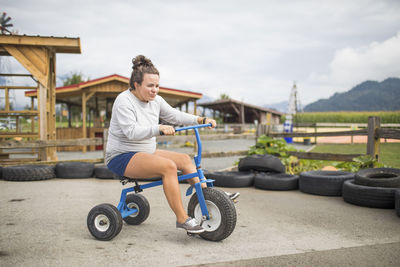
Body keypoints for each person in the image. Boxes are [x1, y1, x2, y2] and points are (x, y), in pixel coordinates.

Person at [106, 55, 239, 234]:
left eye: (157, 85)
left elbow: (175, 116)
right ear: (136, 85)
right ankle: (182, 219)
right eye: (150, 86)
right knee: (168, 167)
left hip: (146, 152)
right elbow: (131, 132)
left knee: (184, 159)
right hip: (121, 157)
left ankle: (211, 197)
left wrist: (200, 118)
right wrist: (158, 128)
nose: (155, 90)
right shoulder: (124, 101)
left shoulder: (156, 101)